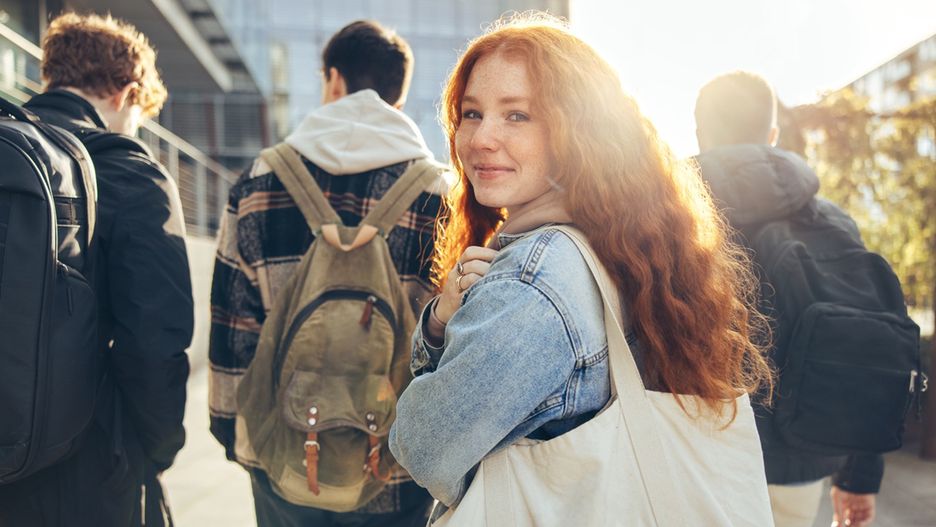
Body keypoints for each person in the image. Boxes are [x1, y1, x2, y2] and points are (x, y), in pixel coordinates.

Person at [388, 13, 772, 516]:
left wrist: (436, 328)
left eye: (518, 115)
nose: (480, 139)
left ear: (578, 131)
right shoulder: (620, 242)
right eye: (472, 113)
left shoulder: (536, 279)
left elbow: (425, 448)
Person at [209, 20, 445, 527]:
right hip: (393, 464)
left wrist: (234, 434)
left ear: (333, 80)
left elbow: (233, 325)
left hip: (284, 455)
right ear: (396, 99)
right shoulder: (438, 194)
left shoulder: (260, 180)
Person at [0, 12, 194, 527]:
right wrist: (153, 451)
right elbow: (156, 340)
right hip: (86, 467)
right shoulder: (130, 172)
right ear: (129, 93)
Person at [694, 71, 883, 527]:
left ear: (698, 132)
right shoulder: (832, 221)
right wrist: (859, 475)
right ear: (772, 136)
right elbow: (863, 345)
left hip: (696, 456)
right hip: (801, 458)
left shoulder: (669, 218)